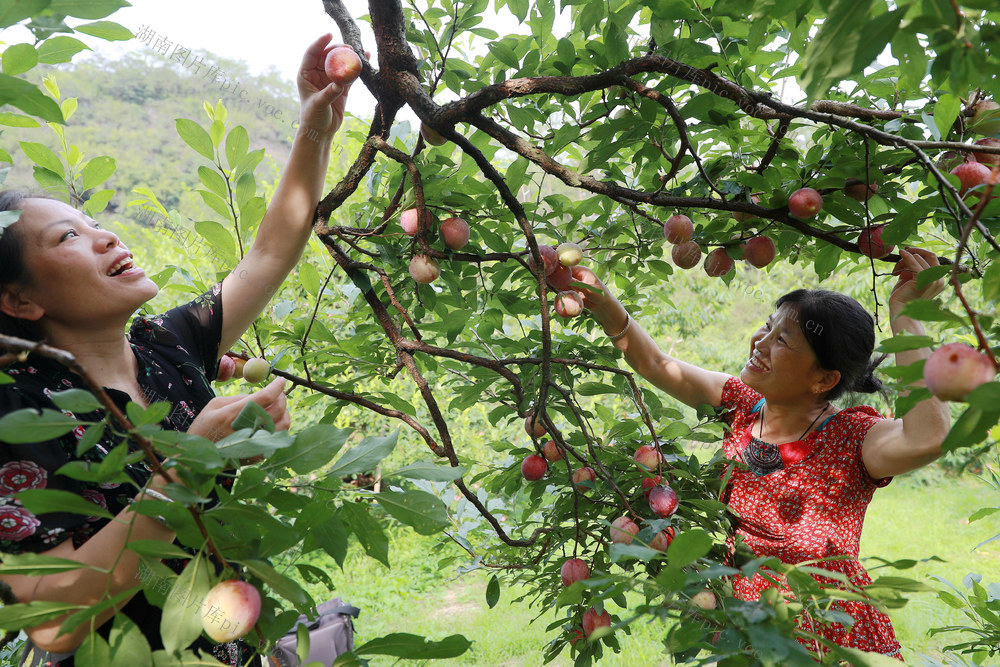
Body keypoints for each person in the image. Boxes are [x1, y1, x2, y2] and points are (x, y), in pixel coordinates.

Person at [0, 33, 354, 666]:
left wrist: (316, 130)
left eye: (93, 222)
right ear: (20, 302)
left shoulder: (166, 346)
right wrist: (191, 467)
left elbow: (271, 251)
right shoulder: (21, 415)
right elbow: (56, 624)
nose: (105, 236)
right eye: (68, 238)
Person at [569, 248, 951, 661]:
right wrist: (602, 300)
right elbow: (657, 363)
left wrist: (907, 318)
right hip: (749, 621)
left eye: (782, 340)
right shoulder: (740, 404)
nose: (760, 343)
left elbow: (929, 437)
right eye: (767, 327)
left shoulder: (851, 437)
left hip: (825, 628)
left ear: (824, 379)